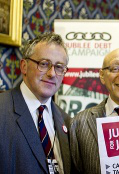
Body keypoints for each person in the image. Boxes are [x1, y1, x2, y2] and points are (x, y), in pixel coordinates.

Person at [0, 33, 72, 173]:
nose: (52, 73)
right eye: (44, 64)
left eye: (59, 67)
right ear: (24, 66)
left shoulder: (67, 121)